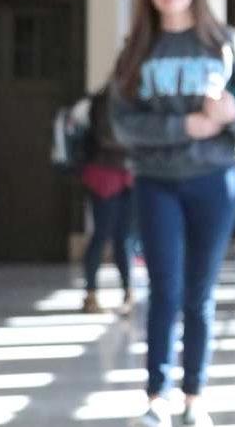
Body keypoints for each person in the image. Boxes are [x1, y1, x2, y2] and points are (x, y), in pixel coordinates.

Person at [109, 0, 235, 427]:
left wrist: (233, 115)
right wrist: (187, 128)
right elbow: (122, 125)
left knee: (200, 293)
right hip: (156, 182)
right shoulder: (137, 49)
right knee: (164, 288)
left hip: (213, 181)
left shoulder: (227, 43)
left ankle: (195, 394)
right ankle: (157, 395)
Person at [77, 85, 137, 315]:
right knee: (101, 234)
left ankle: (128, 291)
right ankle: (90, 293)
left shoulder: (133, 99)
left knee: (124, 237)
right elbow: (104, 137)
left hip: (127, 175)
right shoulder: (102, 102)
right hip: (104, 174)